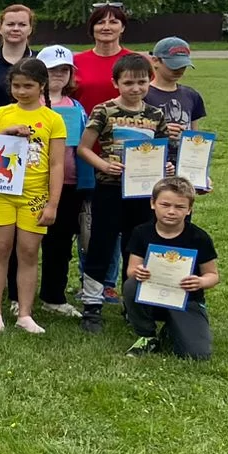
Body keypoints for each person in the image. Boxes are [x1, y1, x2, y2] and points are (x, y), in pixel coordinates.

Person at [77, 52, 173, 334]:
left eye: (142, 82)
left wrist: (166, 165)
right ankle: (92, 304)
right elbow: (83, 149)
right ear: (115, 83)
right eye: (128, 82)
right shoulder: (104, 110)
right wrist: (104, 165)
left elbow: (162, 150)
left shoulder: (155, 114)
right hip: (109, 188)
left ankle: (133, 304)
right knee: (101, 245)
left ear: (150, 81)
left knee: (136, 247)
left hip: (143, 193)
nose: (135, 88)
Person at [0, 58, 65, 333]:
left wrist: (52, 204)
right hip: (1, 192)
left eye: (28, 86)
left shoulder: (53, 119)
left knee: (29, 252)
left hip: (34, 194)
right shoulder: (0, 114)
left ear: (42, 85)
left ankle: (25, 314)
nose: (21, 91)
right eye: (16, 86)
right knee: (0, 248)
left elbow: (57, 164)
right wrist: (5, 134)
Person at [124, 177, 219, 360]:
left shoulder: (199, 237)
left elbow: (213, 275)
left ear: (189, 209)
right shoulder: (141, 233)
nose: (171, 211)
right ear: (153, 203)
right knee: (131, 285)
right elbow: (131, 270)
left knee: (197, 354)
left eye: (180, 207)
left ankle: (172, 328)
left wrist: (200, 282)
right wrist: (139, 272)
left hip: (186, 299)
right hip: (151, 295)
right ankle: (147, 335)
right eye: (165, 205)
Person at [37, 45, 88, 317]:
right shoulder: (29, 103)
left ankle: (53, 296)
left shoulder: (76, 107)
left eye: (64, 70)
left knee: (59, 243)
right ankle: (16, 293)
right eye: (51, 70)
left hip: (67, 183)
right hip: (31, 182)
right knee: (23, 242)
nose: (58, 74)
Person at [145, 36, 206, 174]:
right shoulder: (142, 94)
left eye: (183, 65)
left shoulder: (191, 95)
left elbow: (194, 135)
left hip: (183, 167)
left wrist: (200, 173)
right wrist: (161, 131)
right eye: (173, 65)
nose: (179, 69)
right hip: (151, 165)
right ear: (155, 61)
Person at [72, 2, 135, 116]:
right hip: (85, 125)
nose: (106, 27)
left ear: (122, 27)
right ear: (92, 27)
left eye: (113, 22)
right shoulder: (74, 62)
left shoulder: (136, 61)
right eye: (100, 22)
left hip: (126, 124)